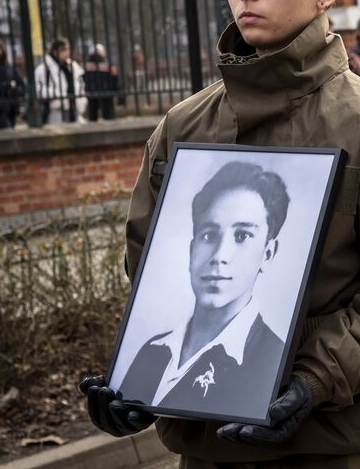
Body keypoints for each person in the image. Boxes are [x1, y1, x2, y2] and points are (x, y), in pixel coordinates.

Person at [80, 0, 360, 469]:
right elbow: (151, 272)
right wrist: (138, 379)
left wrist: (312, 382)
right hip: (206, 451)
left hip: (329, 446)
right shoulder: (183, 127)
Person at [115, 161, 288, 418]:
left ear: (268, 253)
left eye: (242, 236)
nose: (220, 256)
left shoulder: (273, 360)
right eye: (208, 235)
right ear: (191, 249)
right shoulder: (153, 350)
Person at [34, 37, 86, 124]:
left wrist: (82, 102)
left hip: (74, 109)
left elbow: (81, 85)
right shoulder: (44, 69)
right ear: (55, 52)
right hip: (55, 111)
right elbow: (37, 89)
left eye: (68, 49)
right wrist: (57, 94)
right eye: (63, 50)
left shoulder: (73, 67)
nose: (67, 53)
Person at [82, 43, 118, 121]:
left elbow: (84, 76)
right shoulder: (107, 63)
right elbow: (113, 76)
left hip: (92, 91)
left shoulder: (88, 63)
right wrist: (114, 89)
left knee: (93, 114)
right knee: (108, 115)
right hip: (106, 91)